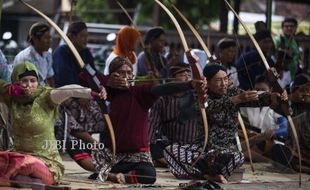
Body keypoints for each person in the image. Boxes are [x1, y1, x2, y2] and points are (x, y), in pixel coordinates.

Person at [85, 57, 206, 184]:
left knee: (149, 175)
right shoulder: (106, 92)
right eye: (121, 72)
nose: (126, 76)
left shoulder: (139, 92)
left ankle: (113, 176)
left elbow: (160, 89)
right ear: (113, 75)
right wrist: (107, 80)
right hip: (113, 155)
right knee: (79, 150)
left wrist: (190, 84)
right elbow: (84, 74)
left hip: (137, 157)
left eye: (129, 73)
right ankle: (109, 173)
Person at [163, 64, 287, 183]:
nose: (223, 84)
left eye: (225, 79)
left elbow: (255, 99)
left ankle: (207, 173)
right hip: (203, 150)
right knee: (170, 150)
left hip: (225, 150)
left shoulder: (233, 92)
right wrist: (236, 99)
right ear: (207, 81)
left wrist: (272, 97)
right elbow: (208, 107)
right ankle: (207, 175)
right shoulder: (200, 95)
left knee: (238, 157)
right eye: (218, 80)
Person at [0, 61, 107, 188]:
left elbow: (68, 90)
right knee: (12, 160)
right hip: (19, 155)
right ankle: (25, 181)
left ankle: (19, 178)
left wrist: (93, 93)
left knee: (27, 163)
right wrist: (10, 89)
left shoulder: (46, 97)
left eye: (33, 81)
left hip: (46, 164)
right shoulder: (12, 98)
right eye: (24, 81)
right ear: (16, 83)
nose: (29, 85)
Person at [149, 62, 203, 167]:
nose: (187, 78)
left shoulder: (197, 97)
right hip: (171, 145)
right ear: (171, 78)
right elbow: (152, 125)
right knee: (156, 148)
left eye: (189, 75)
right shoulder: (162, 99)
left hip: (194, 146)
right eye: (183, 75)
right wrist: (149, 147)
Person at [239, 75, 289, 163]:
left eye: (263, 90)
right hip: (249, 142)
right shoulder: (246, 105)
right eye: (257, 90)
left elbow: (285, 128)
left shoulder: (275, 108)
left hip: (268, 143)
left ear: (270, 90)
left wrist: (274, 132)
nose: (259, 93)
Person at [53, 21, 95, 87]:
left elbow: (94, 73)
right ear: (71, 36)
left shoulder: (86, 52)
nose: (86, 39)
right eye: (82, 36)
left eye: (87, 36)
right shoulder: (61, 52)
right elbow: (65, 79)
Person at [12, 22, 54, 86]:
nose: (49, 41)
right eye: (46, 38)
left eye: (50, 38)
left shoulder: (48, 55)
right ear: (35, 39)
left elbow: (49, 77)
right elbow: (25, 85)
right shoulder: (25, 58)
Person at [289, 73, 310, 173]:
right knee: (279, 150)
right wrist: (292, 97)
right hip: (299, 152)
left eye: (309, 90)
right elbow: (278, 104)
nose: (307, 94)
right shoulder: (293, 106)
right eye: (302, 90)